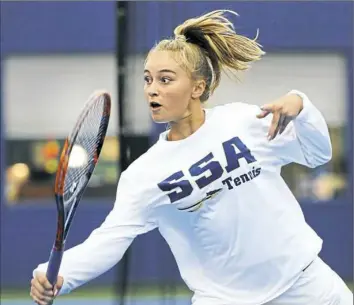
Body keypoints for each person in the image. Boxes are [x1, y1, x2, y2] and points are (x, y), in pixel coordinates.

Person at [30, 10, 353, 305]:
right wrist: (58, 274)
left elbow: (317, 152)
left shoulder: (243, 122)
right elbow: (110, 239)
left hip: (308, 286)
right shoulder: (144, 174)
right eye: (147, 79)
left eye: (165, 79)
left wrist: (301, 104)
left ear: (197, 87)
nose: (151, 90)